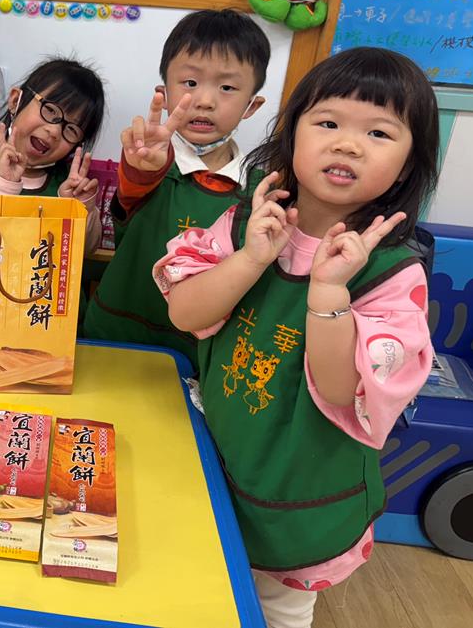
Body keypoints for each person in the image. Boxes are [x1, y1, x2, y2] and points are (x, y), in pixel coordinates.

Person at [154, 47, 438, 628]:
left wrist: (329, 291)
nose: (348, 145)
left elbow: (339, 389)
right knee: (201, 586)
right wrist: (252, 258)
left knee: (276, 609)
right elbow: (185, 313)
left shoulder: (392, 273)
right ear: (292, 135)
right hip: (223, 455)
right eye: (328, 123)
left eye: (378, 133)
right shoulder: (246, 222)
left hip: (299, 489)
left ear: (408, 165)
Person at [82, 9, 269, 365]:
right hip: (112, 339)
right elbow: (135, 183)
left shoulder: (258, 193)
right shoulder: (148, 162)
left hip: (197, 357)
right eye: (190, 83)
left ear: (252, 105)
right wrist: (140, 166)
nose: (205, 100)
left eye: (227, 87)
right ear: (164, 94)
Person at [0, 58, 106, 260]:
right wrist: (2, 184)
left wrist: (82, 209)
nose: (55, 131)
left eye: (72, 130)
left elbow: (86, 250)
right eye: (50, 110)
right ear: (15, 101)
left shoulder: (67, 185)